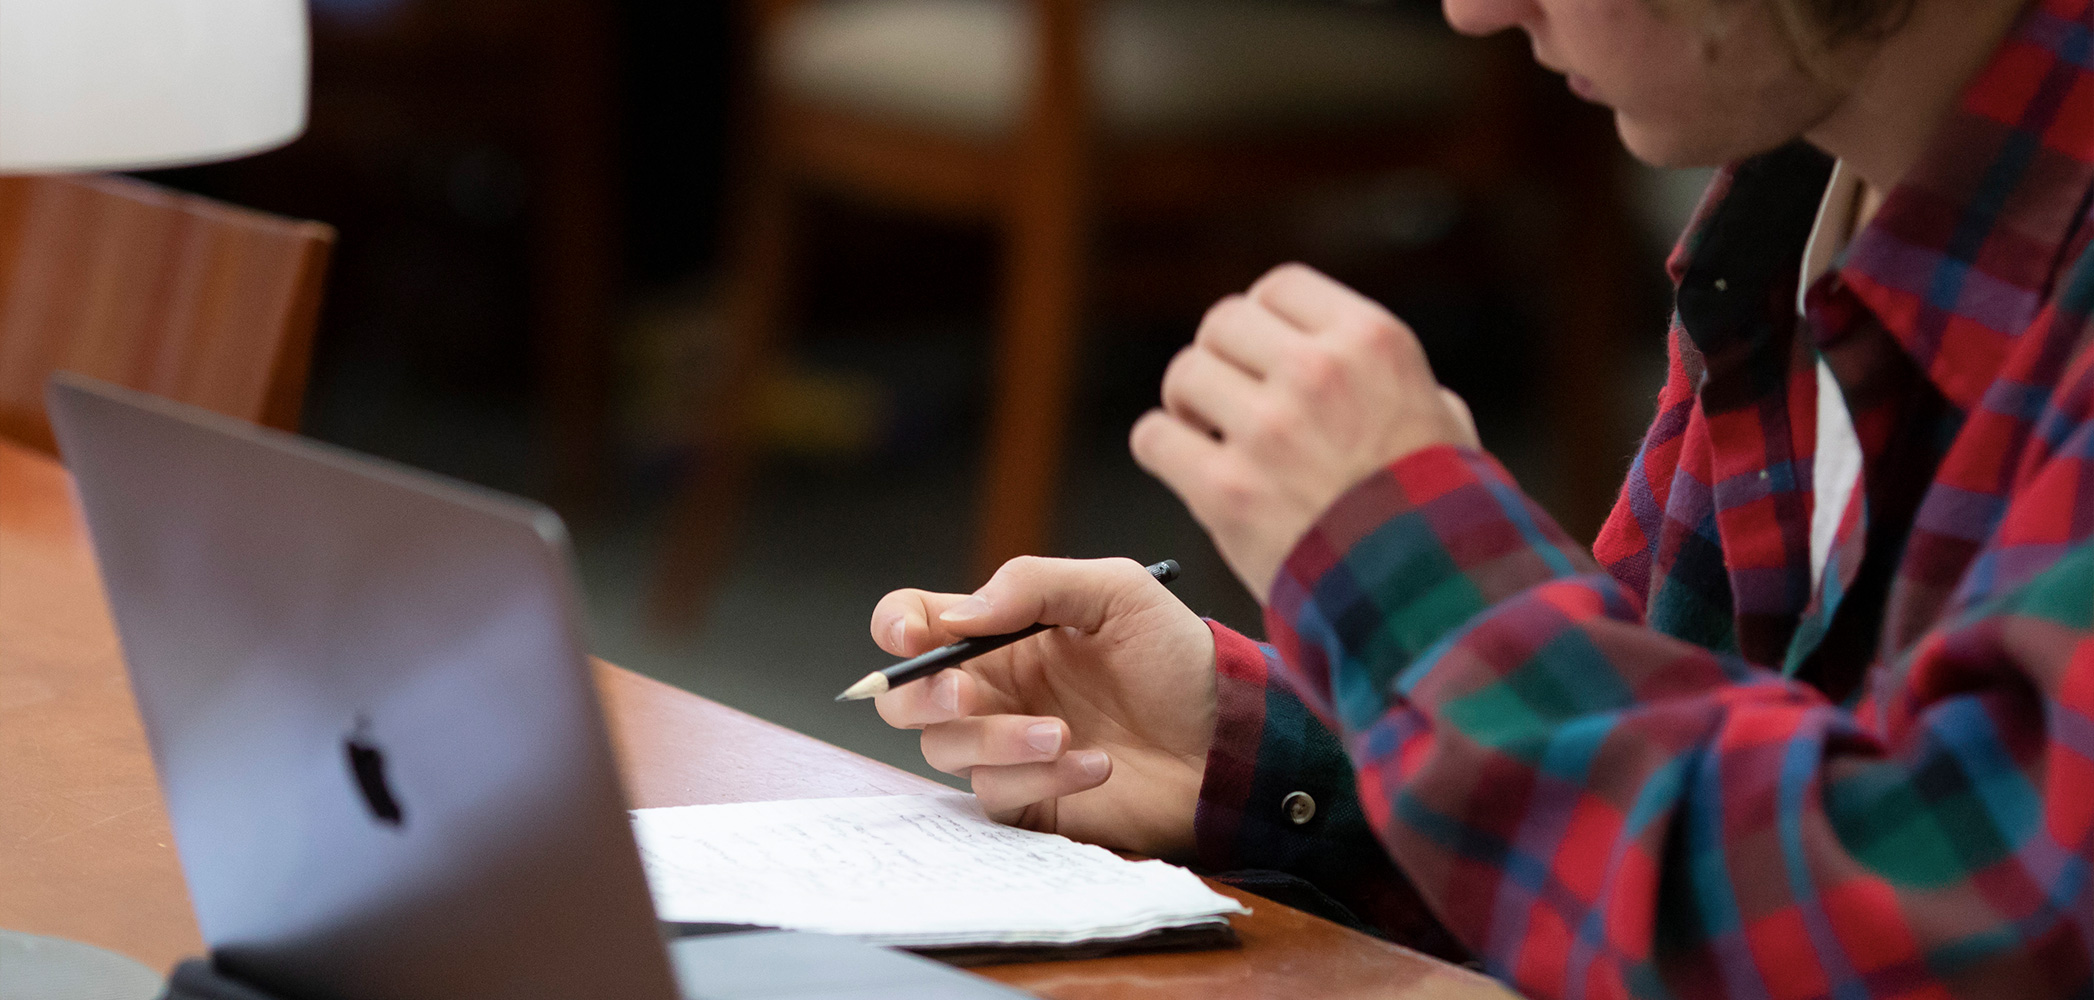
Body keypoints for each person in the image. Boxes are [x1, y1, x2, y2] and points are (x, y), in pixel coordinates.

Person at [867, 0, 2094, 994]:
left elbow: (1939, 943)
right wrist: (1252, 757)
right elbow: (1695, 797)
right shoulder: (1794, 212)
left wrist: (1414, 569)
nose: (1472, 10)